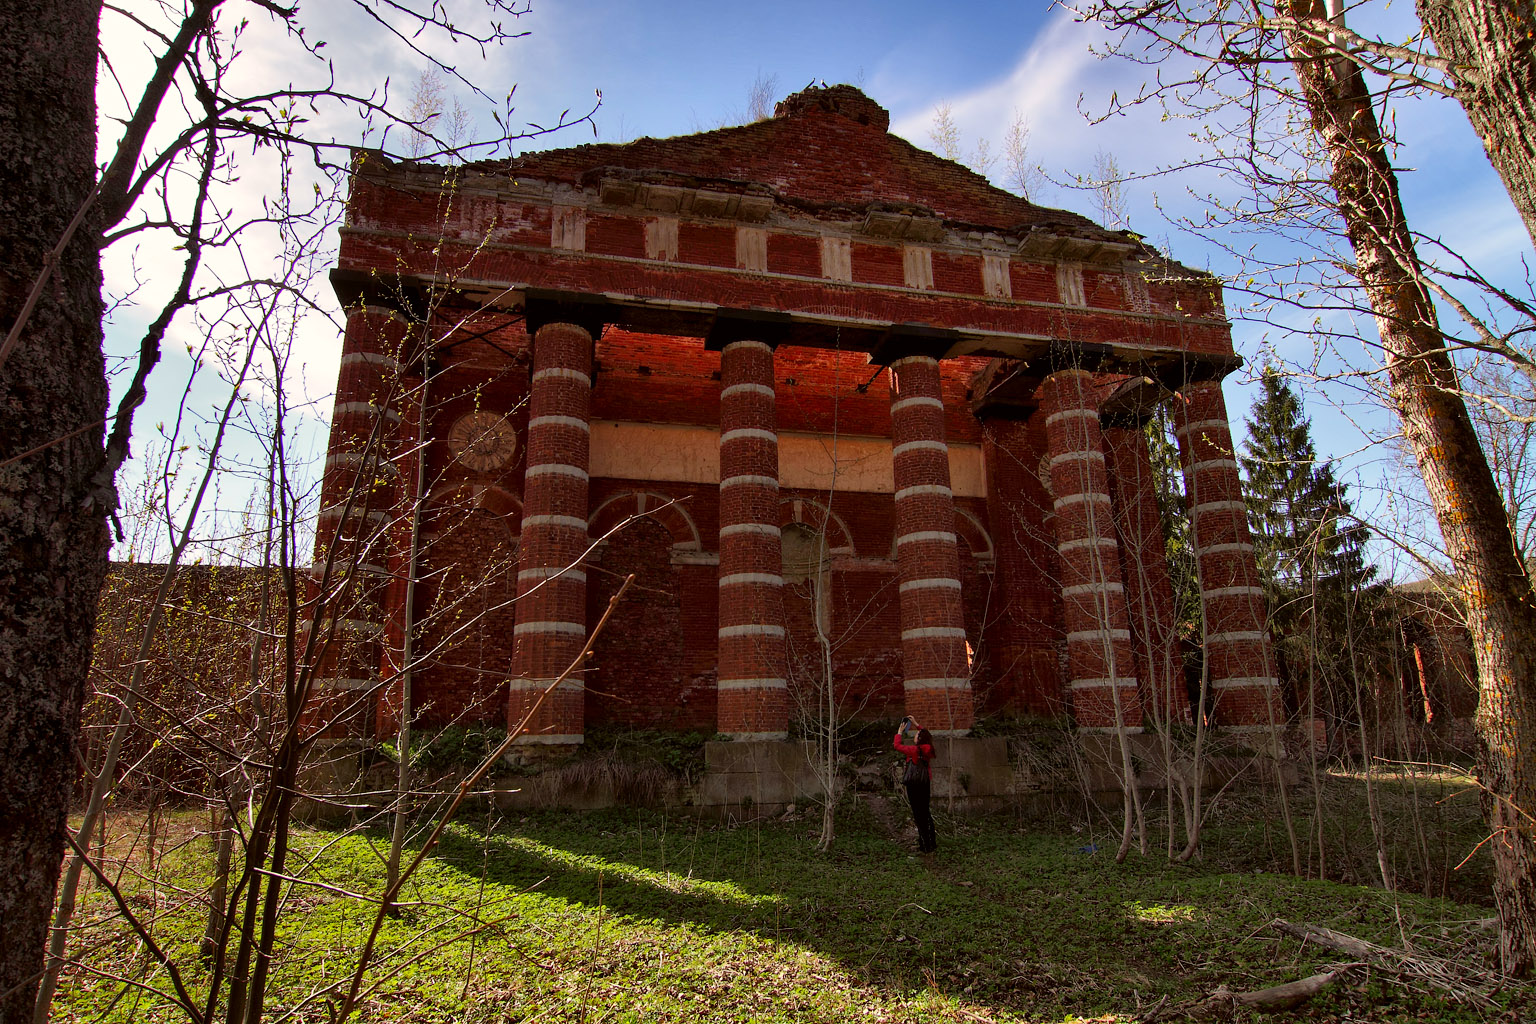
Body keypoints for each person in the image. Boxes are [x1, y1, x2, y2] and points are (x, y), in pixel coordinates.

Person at [893, 715, 936, 854]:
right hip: (925, 782)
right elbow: (927, 735)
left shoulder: (914, 750)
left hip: (914, 784)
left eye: (917, 734)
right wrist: (917, 724)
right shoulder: (928, 749)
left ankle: (925, 845)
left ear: (919, 739)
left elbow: (897, 746)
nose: (916, 735)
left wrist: (899, 733)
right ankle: (931, 842)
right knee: (925, 812)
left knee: (918, 814)